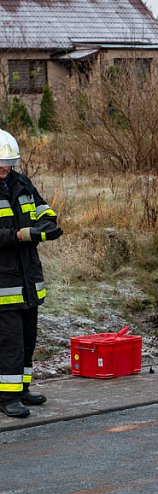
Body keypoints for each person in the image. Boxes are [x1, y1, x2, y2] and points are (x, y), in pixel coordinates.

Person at [0, 129, 63, 418]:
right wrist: (23, 235)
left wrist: (49, 224)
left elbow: (41, 209)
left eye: (8, 163)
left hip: (27, 278)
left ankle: (22, 389)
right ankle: (6, 396)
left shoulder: (22, 184)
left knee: (27, 337)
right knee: (8, 341)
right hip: (3, 284)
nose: (4, 168)